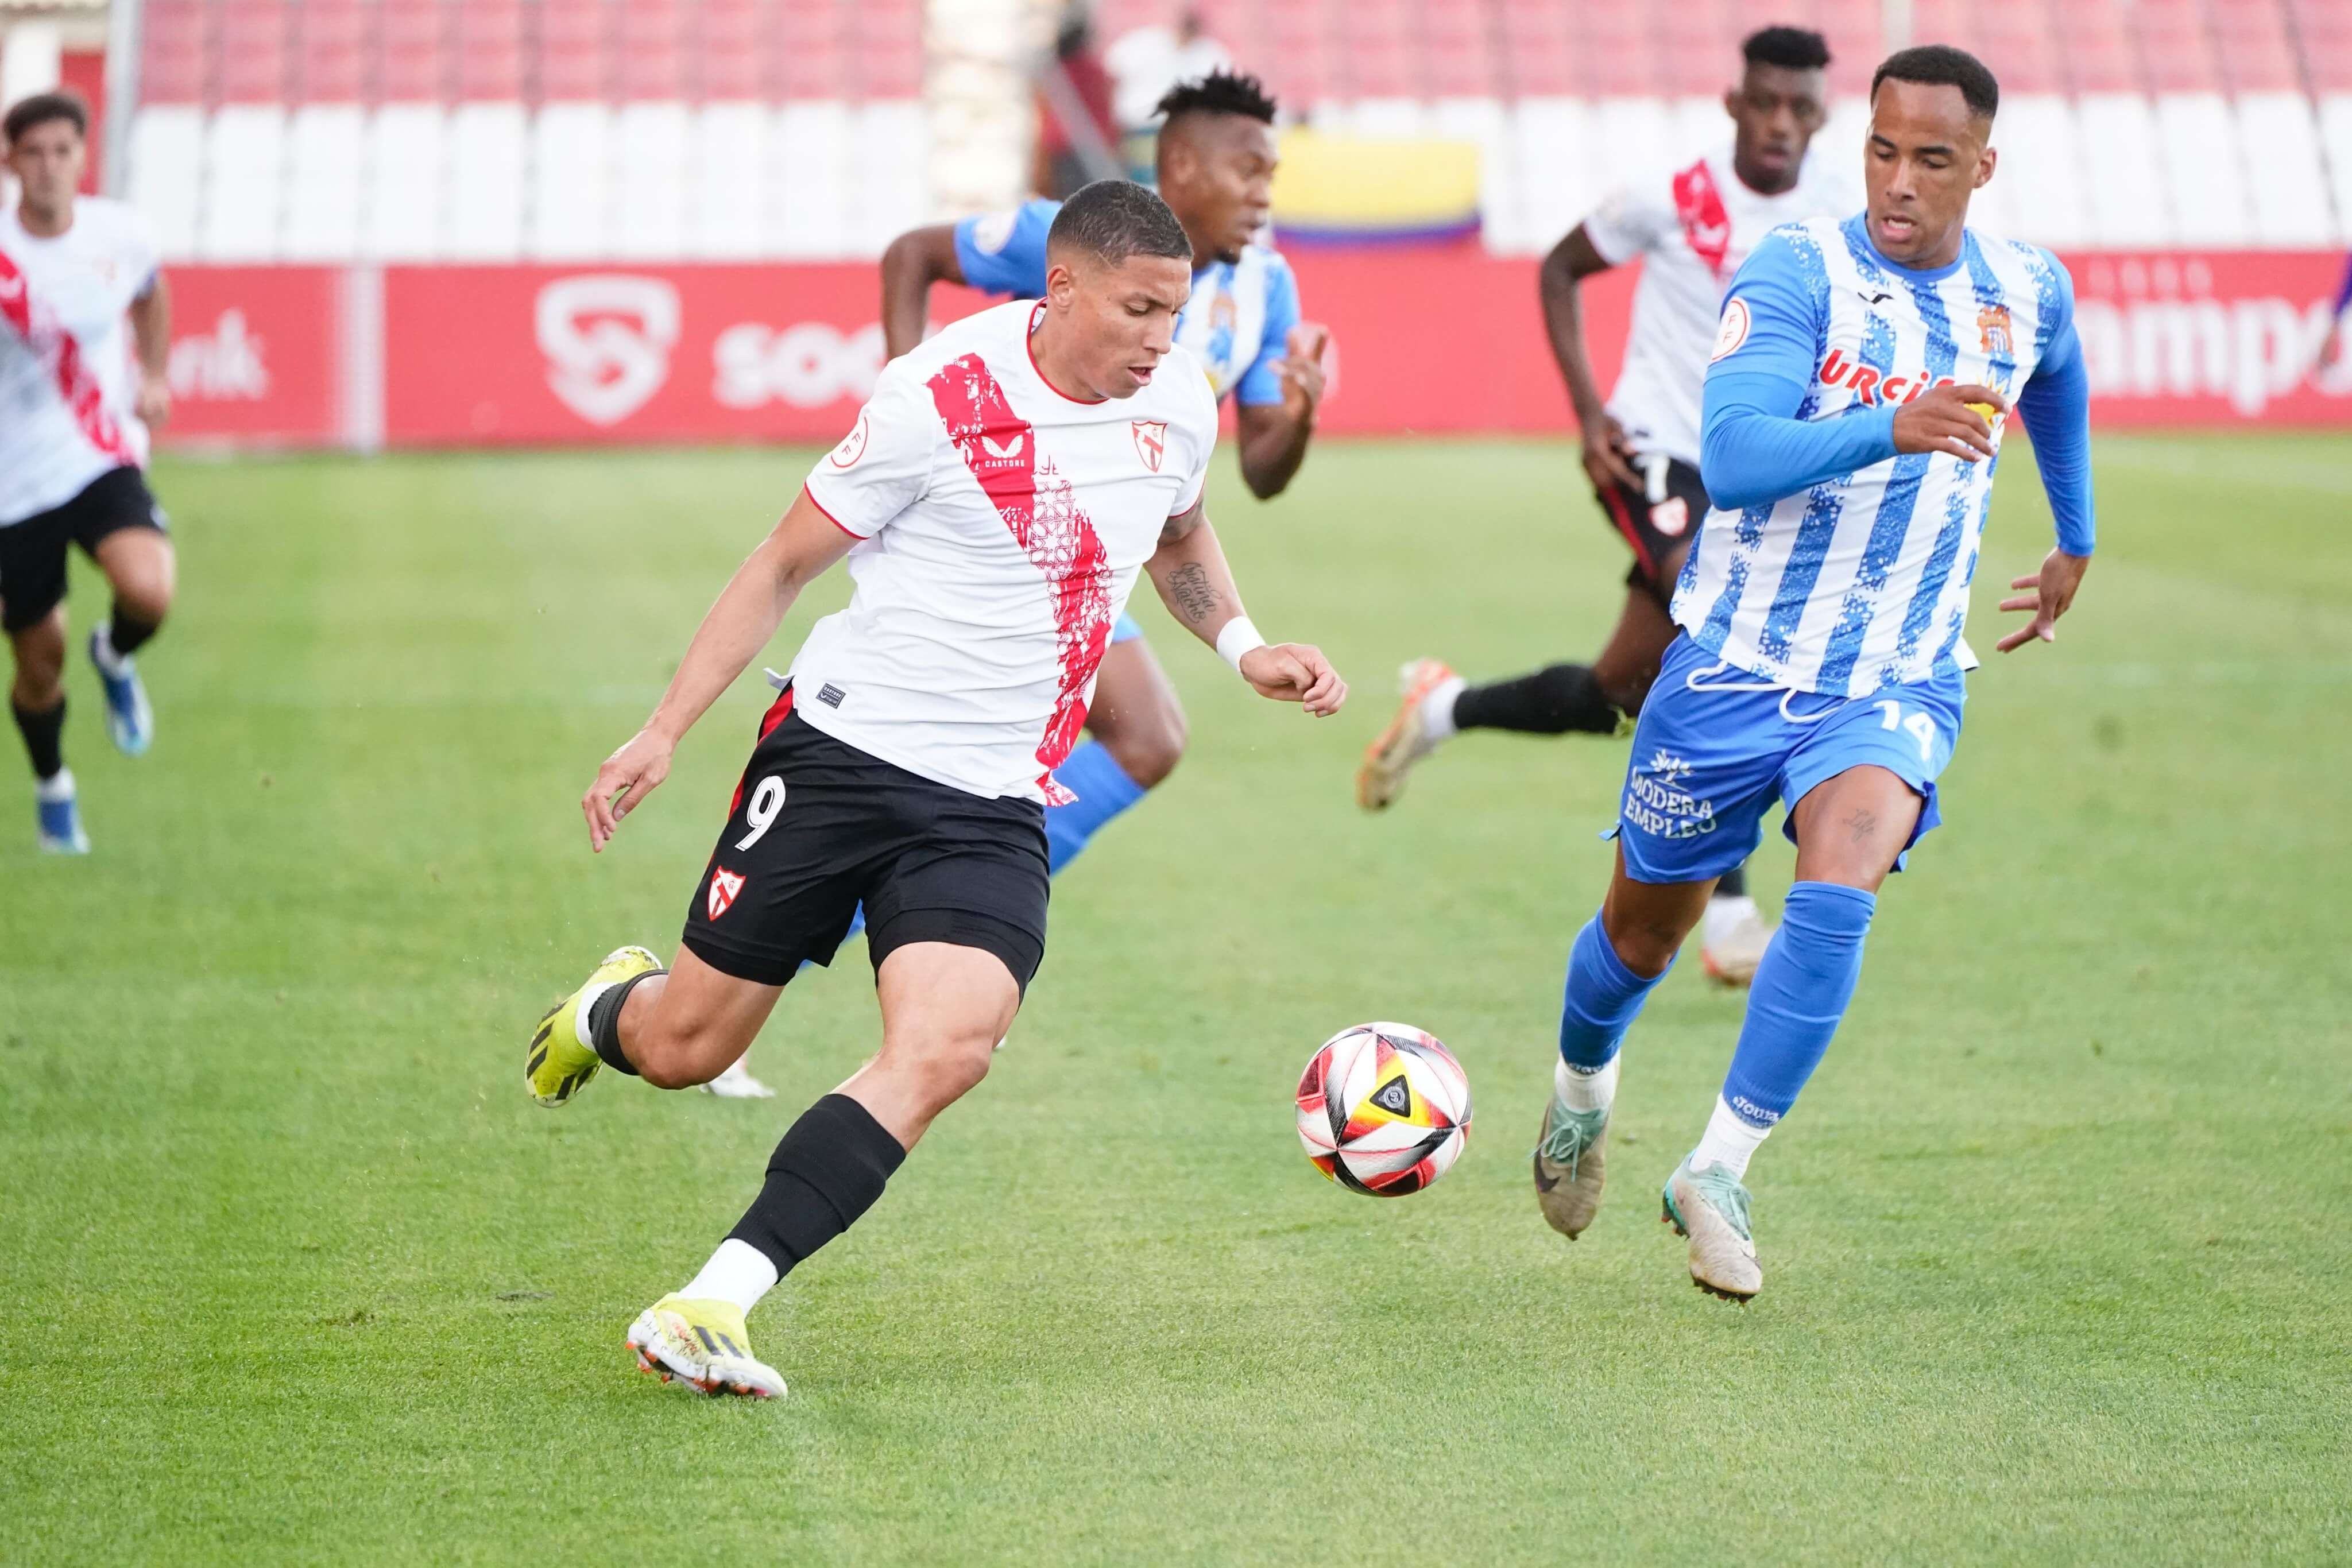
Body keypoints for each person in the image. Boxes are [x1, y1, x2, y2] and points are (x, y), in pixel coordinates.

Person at [525, 180, 1346, 1397]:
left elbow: (1177, 540)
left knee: (951, 1044)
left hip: (994, 801)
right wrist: (661, 731)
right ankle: (611, 1012)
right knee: (686, 1046)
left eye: (1173, 316)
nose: (1162, 343)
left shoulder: (1173, 402)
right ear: (1058, 286)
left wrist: (1244, 648)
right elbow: (780, 564)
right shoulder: (935, 398)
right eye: (1137, 311)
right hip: (841, 758)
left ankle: (715, 1300)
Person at [1528, 45, 2095, 1300]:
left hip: (1892, 674)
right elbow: (1729, 455)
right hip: (1730, 663)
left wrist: (2074, 534)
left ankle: (1717, 1166)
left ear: (1980, 168)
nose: (1897, 181)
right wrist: (1887, 423)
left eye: (1931, 160)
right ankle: (1580, 1091)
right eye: (1882, 151)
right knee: (1636, 938)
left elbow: (2053, 380)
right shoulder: (1795, 271)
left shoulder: (2023, 289)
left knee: (1837, 887)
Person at [663, 73, 1327, 1101]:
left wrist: (1301, 410)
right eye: (1251, 167)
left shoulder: (1262, 288)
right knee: (1129, 740)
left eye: (1274, 173)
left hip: (1096, 555)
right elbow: (916, 254)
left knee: (1149, 739)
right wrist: (907, 390)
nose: (1266, 192)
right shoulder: (1072, 235)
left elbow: (1253, 476)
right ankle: (828, 954)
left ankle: (958, 944)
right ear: (1184, 166)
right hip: (998, 532)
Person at [1356, 27, 1856, 986]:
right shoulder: (1674, 197)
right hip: (1656, 453)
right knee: (1721, 628)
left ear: (1820, 116)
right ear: (1735, 102)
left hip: (1756, 476)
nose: (1782, 123)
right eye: (1767, 102)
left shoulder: (1839, 209)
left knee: (1621, 692)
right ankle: (1735, 912)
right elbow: (1557, 268)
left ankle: (1443, 711)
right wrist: (1591, 414)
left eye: (1801, 108)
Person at [1, 90, 175, 853]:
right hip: (13, 481)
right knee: (39, 667)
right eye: (31, 153)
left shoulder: (120, 233)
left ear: (81, 156)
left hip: (99, 453)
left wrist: (157, 375)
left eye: (61, 151)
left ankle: (116, 654)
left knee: (149, 588)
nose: (47, 167)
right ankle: (53, 785)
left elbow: (150, 296)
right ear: (10, 162)